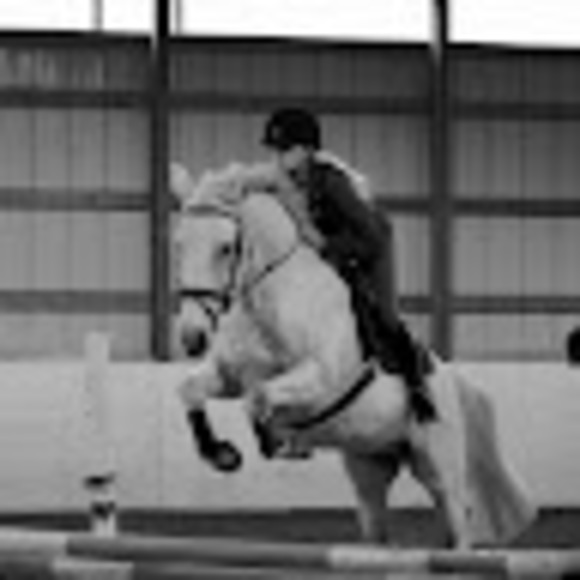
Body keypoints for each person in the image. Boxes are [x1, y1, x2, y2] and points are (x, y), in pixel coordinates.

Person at [259, 107, 437, 423]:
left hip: (371, 246)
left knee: (384, 316)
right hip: (330, 252)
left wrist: (327, 247)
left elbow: (370, 235)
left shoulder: (332, 183)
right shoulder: (287, 182)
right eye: (275, 150)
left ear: (307, 150)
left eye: (285, 150)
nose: (277, 158)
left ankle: (418, 388)